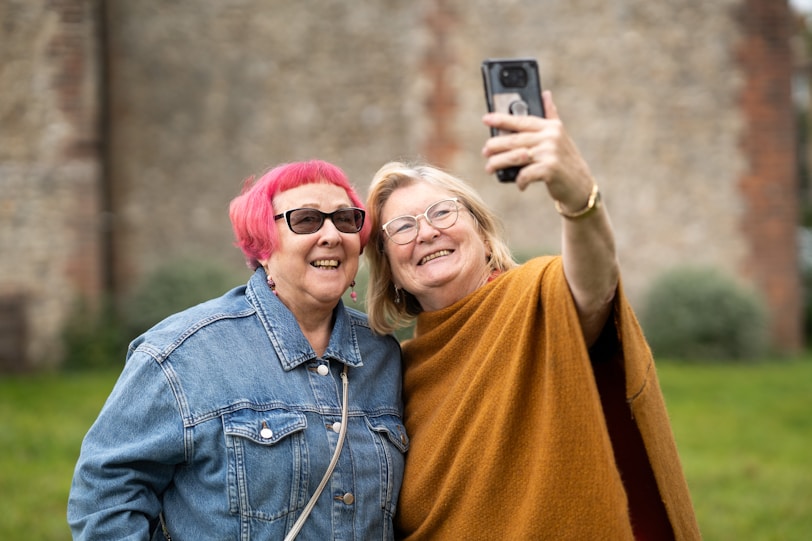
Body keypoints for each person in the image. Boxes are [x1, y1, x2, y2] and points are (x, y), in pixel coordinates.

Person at [364, 91, 701, 540]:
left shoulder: (536, 296)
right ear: (391, 272)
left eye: (442, 212)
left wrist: (578, 197)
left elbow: (593, 287)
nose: (426, 231)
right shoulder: (397, 370)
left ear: (484, 236)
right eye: (402, 227)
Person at [68, 160, 408, 540]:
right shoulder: (182, 354)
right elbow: (105, 494)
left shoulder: (383, 355)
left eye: (346, 220)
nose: (331, 234)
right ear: (263, 246)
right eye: (307, 220)